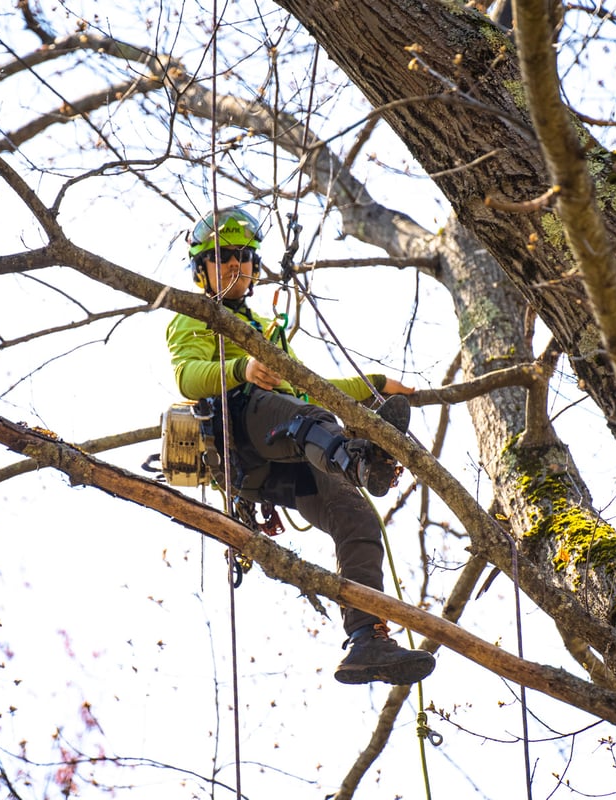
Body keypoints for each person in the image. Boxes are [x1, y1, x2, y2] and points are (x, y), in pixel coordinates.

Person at [165, 205, 436, 686]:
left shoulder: (269, 334)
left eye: (245, 257)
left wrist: (375, 386)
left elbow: (308, 389)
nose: (237, 266)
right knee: (305, 418)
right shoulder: (195, 316)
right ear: (202, 268)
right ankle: (358, 459)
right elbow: (188, 376)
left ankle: (366, 640)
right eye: (225, 256)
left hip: (285, 453)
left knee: (354, 516)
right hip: (241, 430)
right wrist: (240, 370)